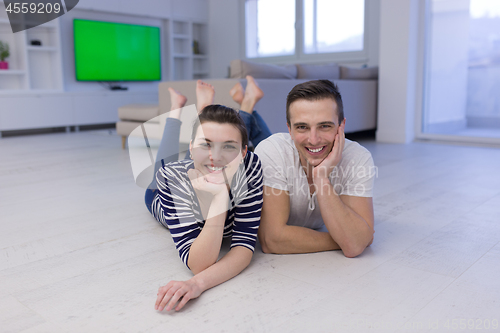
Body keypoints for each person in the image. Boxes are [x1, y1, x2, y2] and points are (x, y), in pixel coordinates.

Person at [145, 80, 267, 312]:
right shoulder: (172, 179)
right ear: (190, 147)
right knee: (163, 164)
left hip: (195, 170)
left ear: (244, 152)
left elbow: (242, 247)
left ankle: (198, 108)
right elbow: (200, 263)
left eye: (229, 147)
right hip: (156, 195)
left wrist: (196, 285)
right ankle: (177, 107)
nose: (216, 156)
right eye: (206, 145)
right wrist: (221, 197)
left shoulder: (250, 166)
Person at [254, 80, 375, 258]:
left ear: (341, 126)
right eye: (302, 127)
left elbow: (355, 245)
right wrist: (345, 239)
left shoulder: (358, 158)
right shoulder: (271, 151)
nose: (313, 139)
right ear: (289, 129)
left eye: (324, 126)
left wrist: (321, 178)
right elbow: (272, 239)